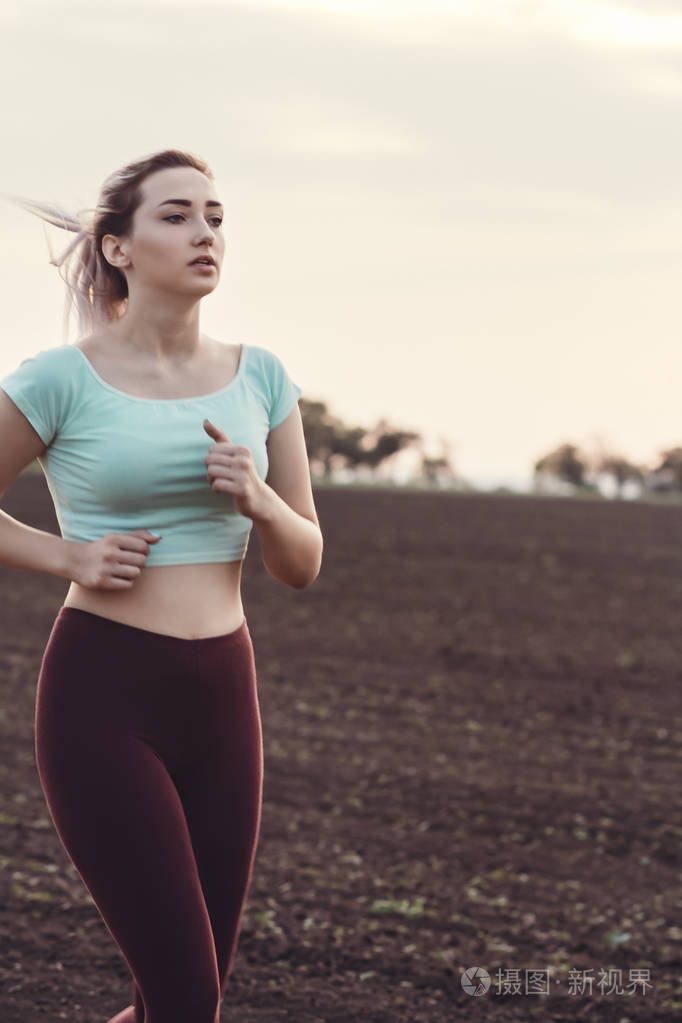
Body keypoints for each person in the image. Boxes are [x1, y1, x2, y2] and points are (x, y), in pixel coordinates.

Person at [0, 148, 323, 1023]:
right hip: (104, 696)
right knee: (184, 998)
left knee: (179, 1004)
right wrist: (71, 557)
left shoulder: (263, 376)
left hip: (224, 694)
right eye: (176, 215)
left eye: (215, 217)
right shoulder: (59, 378)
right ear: (118, 248)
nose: (204, 233)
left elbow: (302, 562)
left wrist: (259, 500)